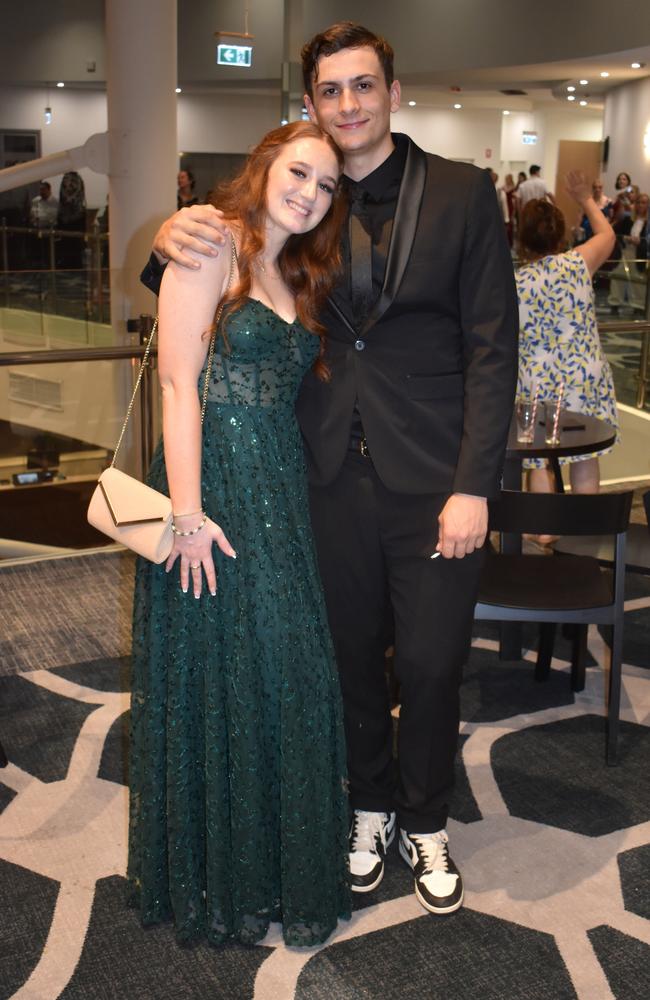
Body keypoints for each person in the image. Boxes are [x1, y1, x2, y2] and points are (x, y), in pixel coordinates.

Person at [143, 21, 518, 917]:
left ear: (393, 91)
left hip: (433, 481)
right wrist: (166, 239)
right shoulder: (306, 201)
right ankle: (369, 807)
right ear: (309, 105)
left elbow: (492, 350)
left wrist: (476, 485)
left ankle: (427, 820)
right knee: (343, 661)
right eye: (330, 91)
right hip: (317, 478)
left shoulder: (466, 195)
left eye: (363, 86)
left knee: (429, 664)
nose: (348, 104)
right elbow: (215, 293)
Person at [129, 120, 351, 947]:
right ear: (265, 167)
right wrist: (186, 514)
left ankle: (271, 860)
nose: (310, 192)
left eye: (327, 185)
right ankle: (222, 875)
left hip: (279, 488)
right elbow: (178, 383)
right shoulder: (211, 240)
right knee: (224, 667)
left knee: (281, 666)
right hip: (212, 482)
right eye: (300, 172)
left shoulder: (294, 265)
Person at [516, 171, 618, 500]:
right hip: (584, 379)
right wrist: (585, 199)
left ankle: (541, 531)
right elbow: (607, 235)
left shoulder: (513, 282)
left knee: (540, 461)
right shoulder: (578, 264)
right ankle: (586, 529)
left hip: (537, 384)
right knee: (585, 454)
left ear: (521, 239)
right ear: (560, 235)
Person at [608, 190, 648, 314]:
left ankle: (638, 305)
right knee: (618, 277)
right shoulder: (628, 219)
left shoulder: (648, 223)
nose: (641, 205)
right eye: (639, 202)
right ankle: (614, 303)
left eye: (644, 203)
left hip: (640, 252)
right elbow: (616, 232)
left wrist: (640, 242)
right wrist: (626, 238)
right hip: (625, 251)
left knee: (639, 280)